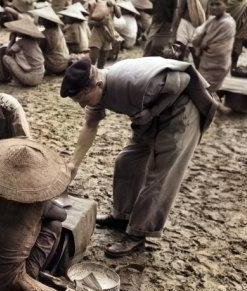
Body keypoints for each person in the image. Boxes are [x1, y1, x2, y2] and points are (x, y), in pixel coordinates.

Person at [60, 57, 217, 257]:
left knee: (159, 175)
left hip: (182, 110)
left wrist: (152, 111)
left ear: (98, 85)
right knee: (127, 161)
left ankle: (138, 234)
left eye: (83, 100)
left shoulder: (133, 83)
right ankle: (122, 217)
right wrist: (73, 164)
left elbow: (184, 80)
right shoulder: (95, 88)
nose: (82, 106)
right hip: (149, 113)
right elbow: (90, 125)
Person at [0, 138, 70, 291]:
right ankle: (39, 272)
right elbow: (62, 215)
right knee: (54, 225)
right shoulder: (38, 202)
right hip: (11, 282)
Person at [191, 0, 236, 91]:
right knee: (202, 89)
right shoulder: (211, 20)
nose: (214, 7)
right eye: (212, 4)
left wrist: (202, 43)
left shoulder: (227, 23)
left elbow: (219, 49)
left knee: (205, 91)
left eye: (218, 4)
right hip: (205, 63)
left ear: (226, 5)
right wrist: (202, 42)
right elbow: (196, 38)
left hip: (217, 65)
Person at [2, 18, 46, 86]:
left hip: (30, 78)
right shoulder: (35, 41)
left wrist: (12, 39)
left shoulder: (21, 42)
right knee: (19, 56)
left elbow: (7, 52)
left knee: (5, 58)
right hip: (40, 75)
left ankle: (16, 81)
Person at [30, 6, 71, 74]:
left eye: (41, 18)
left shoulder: (45, 34)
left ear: (46, 20)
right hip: (64, 62)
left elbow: (38, 49)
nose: (39, 19)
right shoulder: (58, 29)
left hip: (54, 64)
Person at [88, 0, 121, 68]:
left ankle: (98, 76)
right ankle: (89, 76)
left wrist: (115, 5)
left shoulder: (112, 4)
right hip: (96, 33)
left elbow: (119, 15)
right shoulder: (94, 4)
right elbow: (89, 22)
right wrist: (100, 23)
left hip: (108, 34)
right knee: (92, 61)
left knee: (102, 63)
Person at [228, 0, 247, 76]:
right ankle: (232, 67)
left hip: (240, 32)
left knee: (237, 47)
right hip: (229, 29)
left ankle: (233, 67)